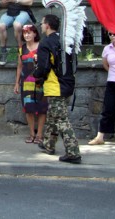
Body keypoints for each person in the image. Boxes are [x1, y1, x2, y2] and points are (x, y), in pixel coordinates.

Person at [34, 14, 81, 164]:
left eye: (42, 23)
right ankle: (48, 144)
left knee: (61, 119)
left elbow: (44, 67)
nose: (41, 26)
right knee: (53, 115)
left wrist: (37, 75)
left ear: (47, 25)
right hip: (68, 84)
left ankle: (73, 152)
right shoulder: (65, 40)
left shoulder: (45, 43)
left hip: (55, 86)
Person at [14, 24, 48, 144]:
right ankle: (31, 134)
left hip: (40, 82)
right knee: (29, 108)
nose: (27, 35)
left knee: (42, 108)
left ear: (35, 33)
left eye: (29, 32)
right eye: (25, 33)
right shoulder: (21, 49)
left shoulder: (42, 47)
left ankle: (39, 134)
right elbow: (19, 66)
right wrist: (17, 83)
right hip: (26, 82)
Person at [0, 0, 33, 65]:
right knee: (1, 26)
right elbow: (4, 3)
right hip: (10, 11)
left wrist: (16, 0)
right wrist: (4, 2)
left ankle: (20, 50)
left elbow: (30, 1)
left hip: (23, 11)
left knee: (17, 25)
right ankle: (3, 51)